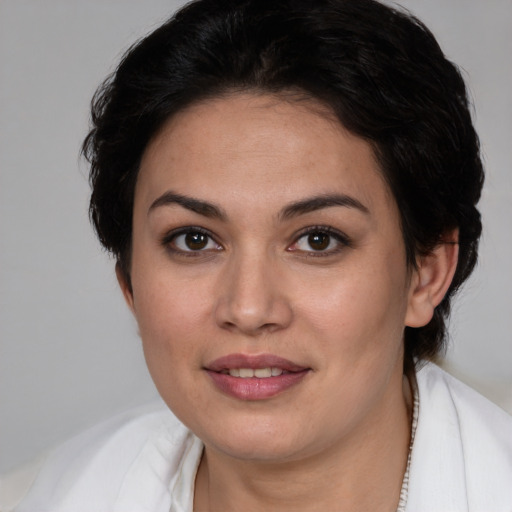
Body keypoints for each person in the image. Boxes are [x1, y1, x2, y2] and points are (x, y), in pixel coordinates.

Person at [5, 0, 512, 510]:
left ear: (426, 273)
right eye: (194, 240)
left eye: (318, 239)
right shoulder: (57, 494)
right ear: (130, 281)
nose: (248, 309)